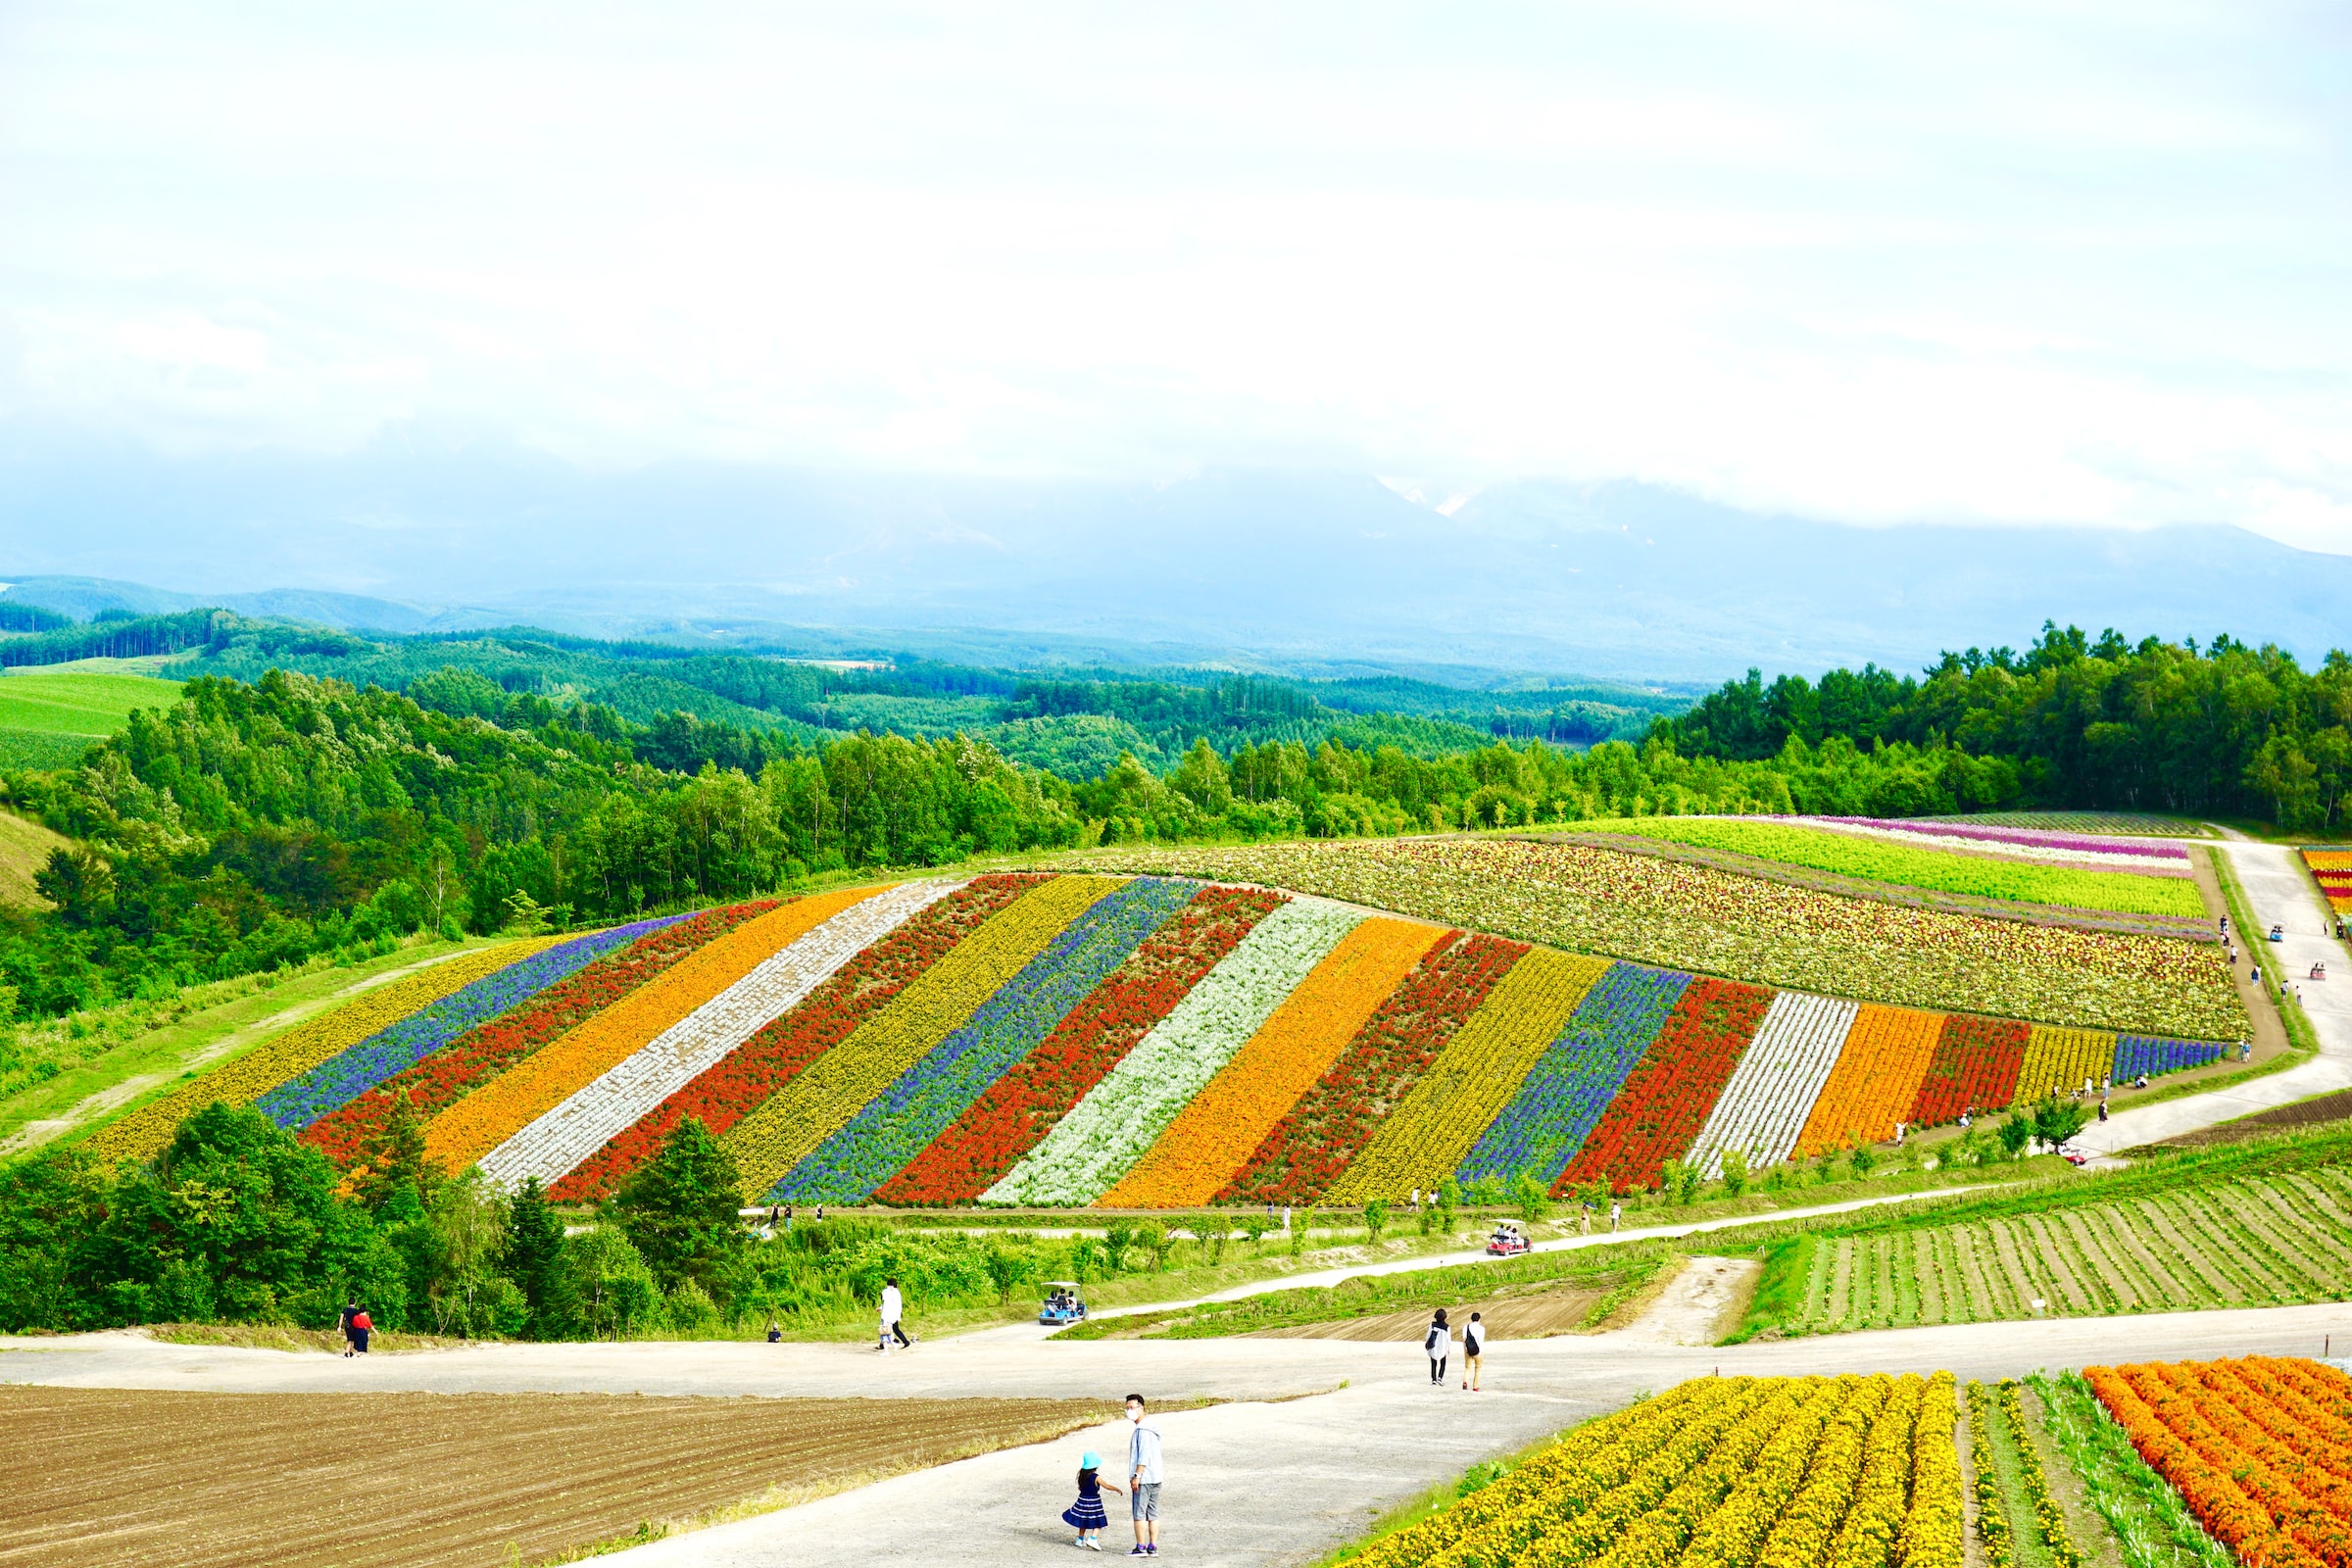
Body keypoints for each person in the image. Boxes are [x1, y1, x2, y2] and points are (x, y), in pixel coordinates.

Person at [1125, 1394, 1162, 1556]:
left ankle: (1141, 1546)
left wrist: (1137, 1476)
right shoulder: (1152, 1428)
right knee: (1153, 1513)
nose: (1129, 1411)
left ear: (1142, 1408)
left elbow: (1143, 1455)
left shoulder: (1143, 1430)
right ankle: (1152, 1547)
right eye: (1127, 1408)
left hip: (1145, 1478)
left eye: (1132, 1407)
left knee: (1139, 1513)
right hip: (1156, 1476)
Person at [1063, 1447, 1121, 1550]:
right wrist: (1116, 1489)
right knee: (1099, 1520)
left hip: (1082, 1500)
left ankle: (1080, 1539)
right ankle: (1093, 1538)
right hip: (1094, 1502)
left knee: (1083, 1519)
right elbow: (1106, 1486)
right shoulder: (1096, 1477)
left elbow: (1080, 1487)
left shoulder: (1082, 1475)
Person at [879, 1277, 912, 1351]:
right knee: (894, 1329)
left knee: (886, 1329)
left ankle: (890, 1343)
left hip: (890, 1314)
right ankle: (904, 1341)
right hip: (894, 1314)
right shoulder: (896, 1292)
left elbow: (887, 1302)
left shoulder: (890, 1292)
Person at [1424, 1308, 1451, 1386]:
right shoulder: (1447, 1327)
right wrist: (1448, 1348)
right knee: (1443, 1363)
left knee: (1433, 1364)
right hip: (1443, 1347)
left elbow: (1428, 1336)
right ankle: (1440, 1377)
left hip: (1433, 1346)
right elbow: (1448, 1339)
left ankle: (1433, 1380)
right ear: (1445, 1317)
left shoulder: (1432, 1325)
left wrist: (1427, 1343)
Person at [1461, 1311, 1486, 1392]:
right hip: (1477, 1350)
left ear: (1471, 1319)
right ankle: (1475, 1386)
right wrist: (1480, 1352)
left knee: (1468, 1367)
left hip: (1468, 1350)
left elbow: (1464, 1339)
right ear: (1479, 1319)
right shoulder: (1481, 1328)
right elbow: (1480, 1341)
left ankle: (1465, 1382)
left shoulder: (1466, 1327)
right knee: (1477, 1368)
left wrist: (1465, 1349)